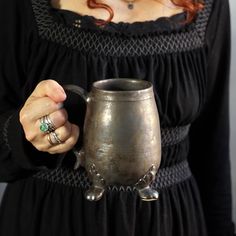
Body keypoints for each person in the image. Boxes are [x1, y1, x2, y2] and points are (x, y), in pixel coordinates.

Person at [0, 0, 235, 235]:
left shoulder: (207, 5)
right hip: (51, 219)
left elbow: (212, 152)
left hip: (171, 222)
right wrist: (24, 134)